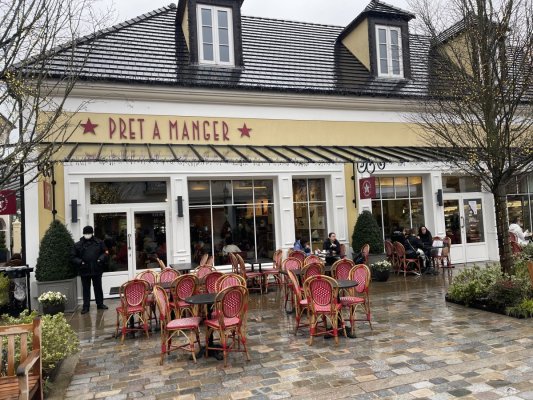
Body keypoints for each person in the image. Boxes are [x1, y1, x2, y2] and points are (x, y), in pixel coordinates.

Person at [71, 226, 109, 314]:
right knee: (86, 289)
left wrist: (101, 259)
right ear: (83, 234)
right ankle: (86, 306)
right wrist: (80, 262)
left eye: (89, 233)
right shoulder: (78, 244)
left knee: (98, 287)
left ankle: (100, 304)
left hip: (97, 268)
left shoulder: (99, 242)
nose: (87, 235)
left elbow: (106, 252)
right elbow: (72, 256)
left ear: (92, 233)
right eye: (86, 233)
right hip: (84, 269)